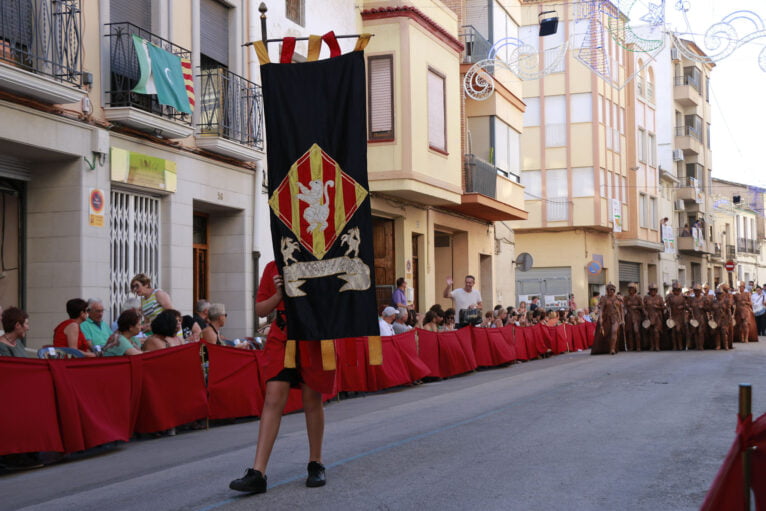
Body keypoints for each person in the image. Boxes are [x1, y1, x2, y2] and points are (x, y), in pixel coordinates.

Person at [229, 260, 334, 494]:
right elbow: (260, 310)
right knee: (273, 399)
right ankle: (258, 472)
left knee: (312, 399)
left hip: (313, 337)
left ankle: (315, 463)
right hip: (282, 336)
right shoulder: (273, 266)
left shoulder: (321, 262)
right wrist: (279, 295)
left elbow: (333, 305)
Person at [596, 283, 623, 355]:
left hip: (616, 317)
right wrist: (600, 317)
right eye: (609, 290)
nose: (610, 292)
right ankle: (606, 347)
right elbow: (601, 309)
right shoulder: (604, 298)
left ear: (614, 291)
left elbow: (621, 309)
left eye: (612, 290)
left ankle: (612, 349)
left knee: (614, 331)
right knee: (607, 334)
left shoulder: (618, 298)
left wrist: (623, 319)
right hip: (606, 318)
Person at [666, 282, 689, 351]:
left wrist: (682, 307)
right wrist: (668, 308)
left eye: (678, 290)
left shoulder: (683, 297)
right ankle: (675, 345)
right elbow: (667, 305)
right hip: (673, 315)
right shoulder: (670, 297)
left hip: (680, 316)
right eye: (675, 290)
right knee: (673, 332)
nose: (677, 291)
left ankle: (680, 345)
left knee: (679, 331)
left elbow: (686, 306)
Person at [642, 284, 664, 351]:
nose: (653, 291)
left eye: (654, 290)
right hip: (649, 316)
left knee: (656, 331)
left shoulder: (659, 297)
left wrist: (658, 307)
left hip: (657, 316)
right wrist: (645, 312)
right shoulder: (646, 298)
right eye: (651, 290)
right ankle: (652, 346)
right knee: (651, 332)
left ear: (656, 290)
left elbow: (663, 307)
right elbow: (643, 307)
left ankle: (657, 346)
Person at [688, 284, 709, 351]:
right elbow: (687, 306)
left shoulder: (704, 298)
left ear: (700, 291)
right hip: (694, 317)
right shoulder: (691, 299)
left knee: (701, 332)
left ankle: (701, 345)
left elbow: (708, 308)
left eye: (698, 291)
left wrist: (703, 307)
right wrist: (689, 308)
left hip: (702, 317)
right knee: (695, 332)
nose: (696, 292)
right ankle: (697, 345)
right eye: (695, 291)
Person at [623, 283, 644, 351]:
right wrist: (625, 310)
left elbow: (642, 306)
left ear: (635, 290)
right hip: (629, 315)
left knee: (636, 330)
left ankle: (638, 346)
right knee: (630, 331)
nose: (630, 290)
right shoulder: (626, 297)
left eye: (632, 289)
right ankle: (631, 346)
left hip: (636, 315)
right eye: (629, 289)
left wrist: (636, 307)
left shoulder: (638, 297)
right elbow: (624, 306)